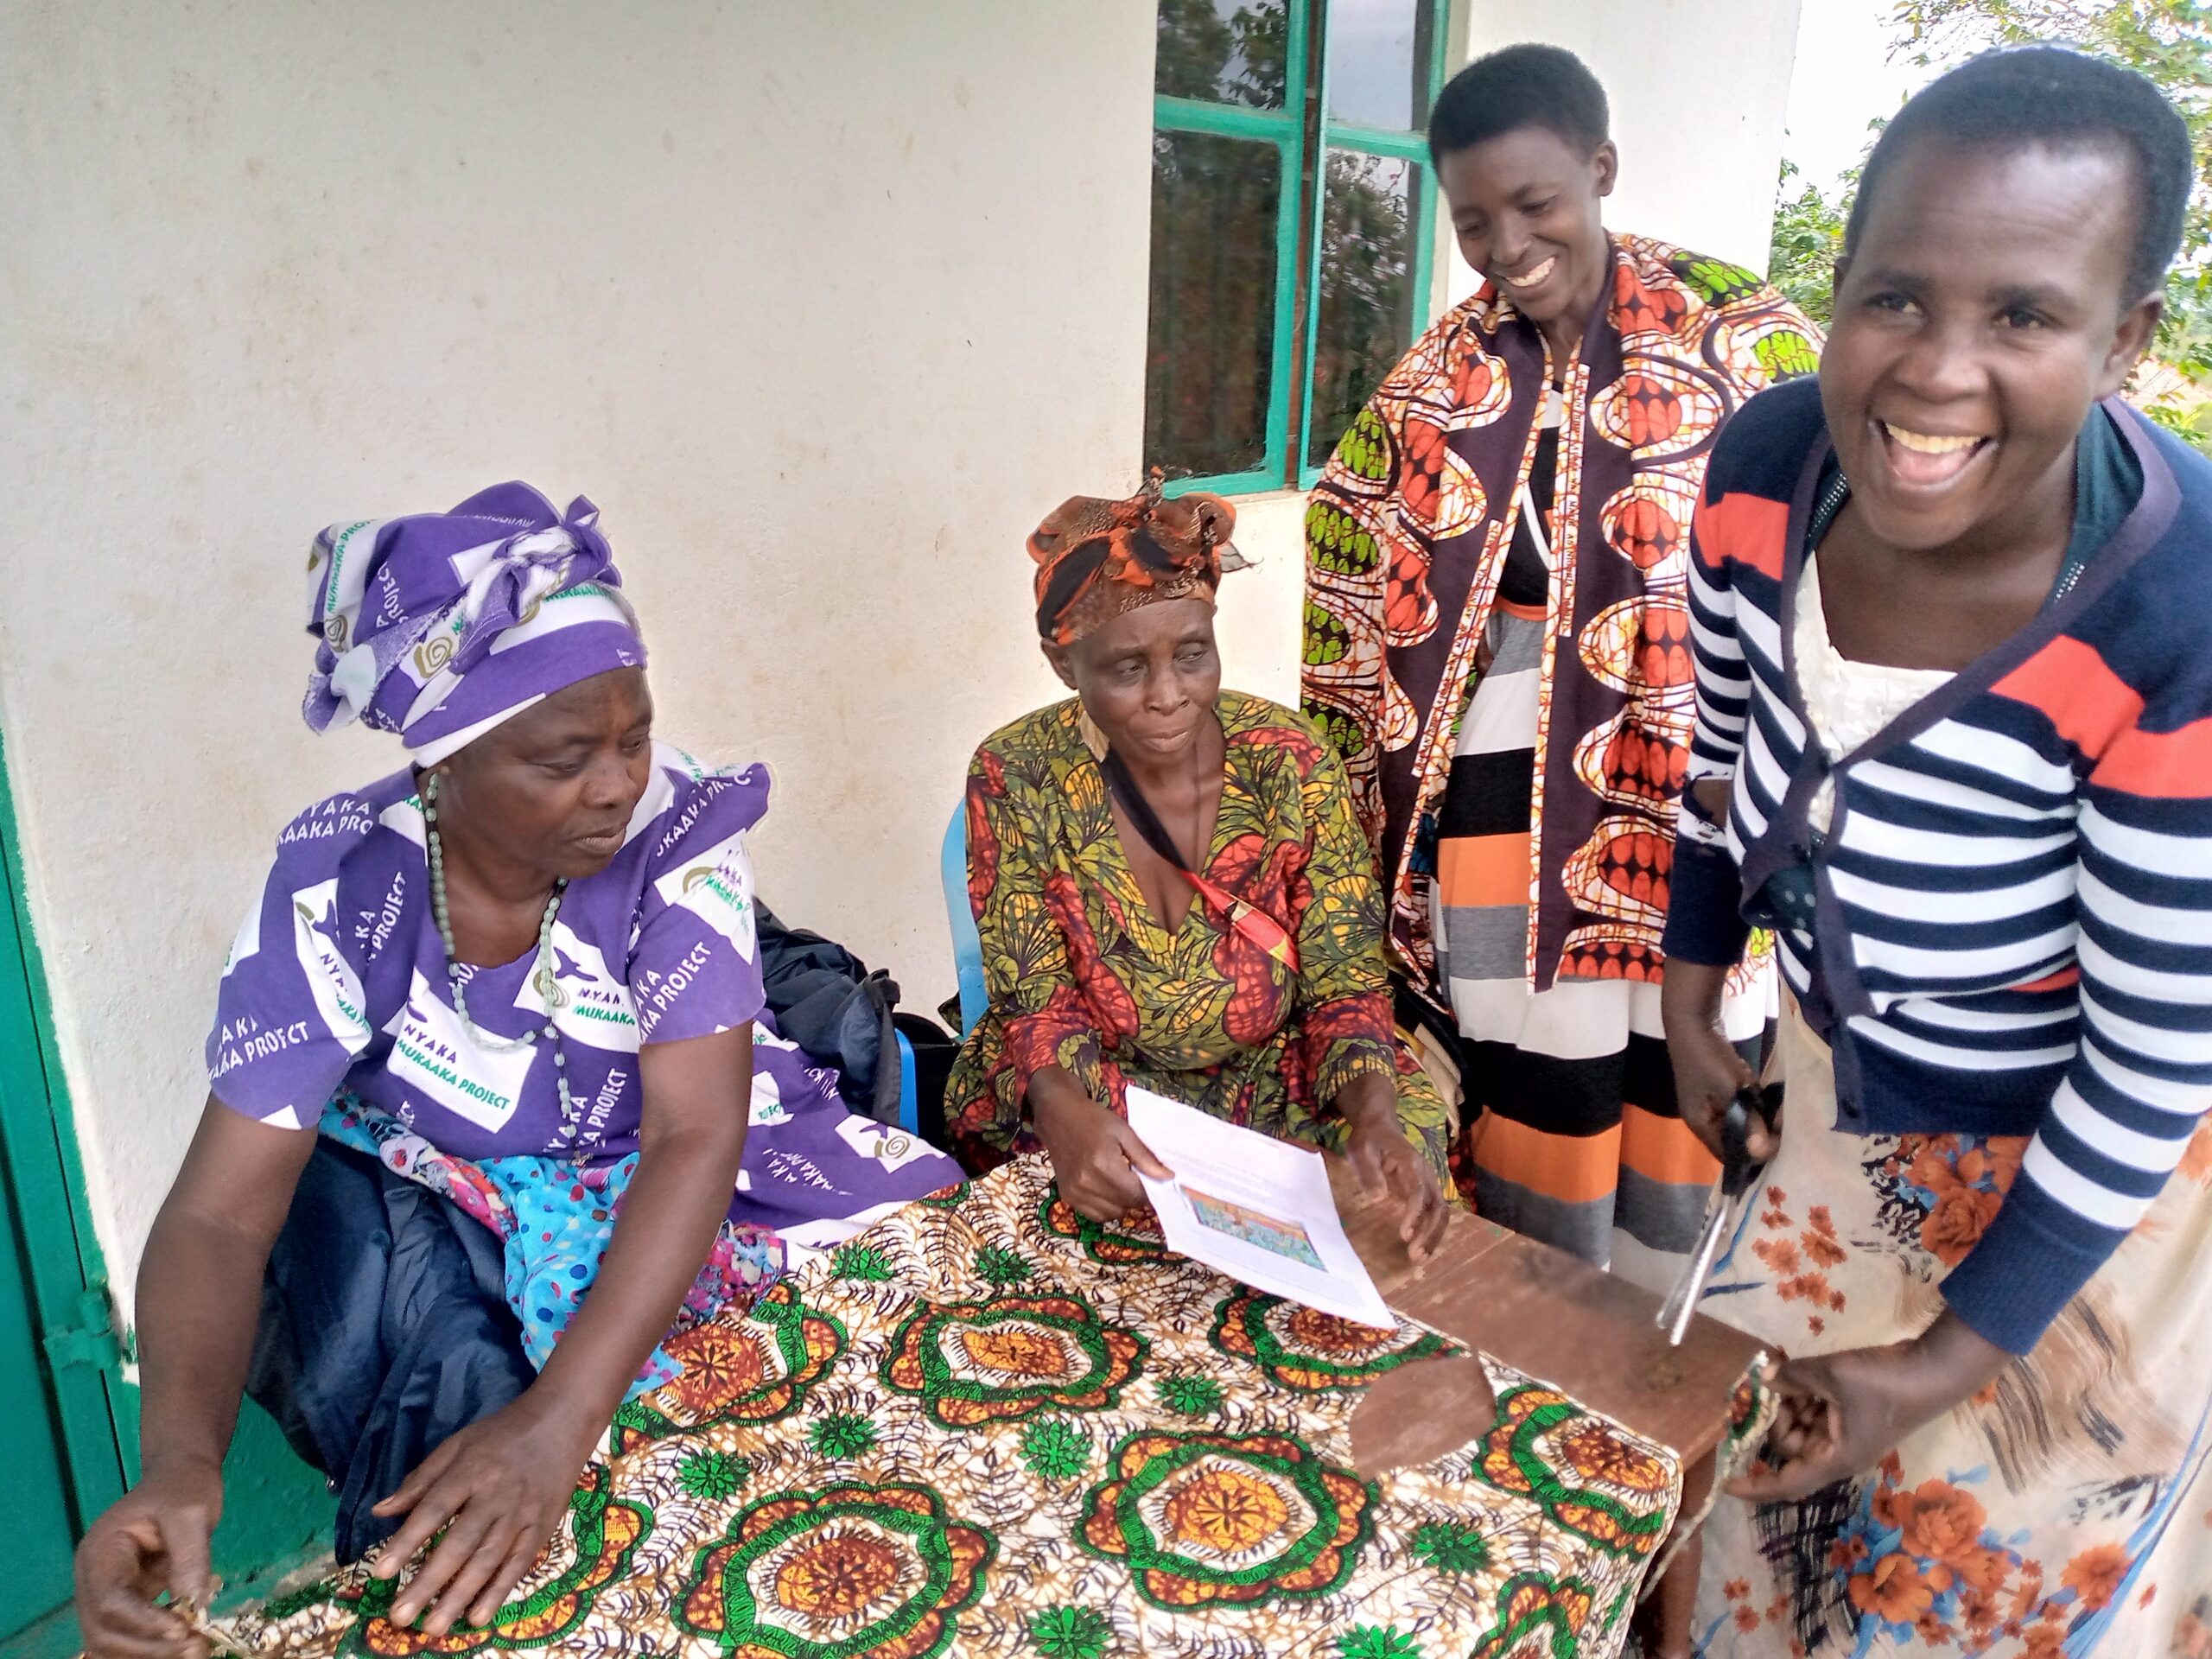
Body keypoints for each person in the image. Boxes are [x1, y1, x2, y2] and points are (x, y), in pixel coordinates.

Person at [73, 484, 958, 1654]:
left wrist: (558, 1422)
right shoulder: (340, 890)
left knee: (891, 1368)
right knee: (475, 1461)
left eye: (633, 737)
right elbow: (220, 1215)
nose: (617, 782)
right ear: (445, 764)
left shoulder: (675, 835)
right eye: (562, 758)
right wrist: (179, 1466)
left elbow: (695, 1134)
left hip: (703, 1165)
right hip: (465, 1195)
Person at [1660, 49, 2212, 1656]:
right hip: (1842, 1111)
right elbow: (1720, 762)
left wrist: (1933, 1369)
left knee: (1953, 1598)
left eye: (2024, 317)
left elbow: (2151, 1058)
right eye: (1896, 296)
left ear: (2126, 342)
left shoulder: (2176, 612)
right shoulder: (1765, 473)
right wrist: (1693, 1000)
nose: (1938, 373)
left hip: (2083, 1194)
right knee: (1759, 1515)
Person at [1301, 43, 1822, 1286]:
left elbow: (1837, 548)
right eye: (1474, 222)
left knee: (1690, 1052)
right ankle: (1539, 1322)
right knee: (1540, 1069)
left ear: (1601, 169)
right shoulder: (1440, 379)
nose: (1507, 245)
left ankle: (1677, 1328)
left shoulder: (1739, 339)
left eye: (1534, 203)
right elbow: (1349, 548)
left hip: (1698, 777)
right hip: (1502, 791)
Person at [945, 480, 1452, 1255]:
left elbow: (1345, 982)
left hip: (1278, 1073)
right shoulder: (1017, 773)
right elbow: (1037, 1000)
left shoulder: (1290, 762)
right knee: (1077, 1222)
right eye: (1126, 669)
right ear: (1064, 663)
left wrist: (1373, 1117)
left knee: (1390, 1191)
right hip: (1099, 1076)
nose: (1169, 696)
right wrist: (1063, 1110)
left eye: (1192, 655)